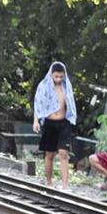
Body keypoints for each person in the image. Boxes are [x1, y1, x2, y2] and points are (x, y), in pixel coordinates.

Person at [33, 60, 77, 189]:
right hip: (50, 122)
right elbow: (38, 104)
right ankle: (49, 182)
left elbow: (71, 104)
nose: (58, 79)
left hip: (64, 122)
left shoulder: (66, 87)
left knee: (63, 153)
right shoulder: (44, 86)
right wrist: (36, 121)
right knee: (49, 154)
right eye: (56, 76)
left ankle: (65, 185)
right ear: (51, 74)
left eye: (61, 76)